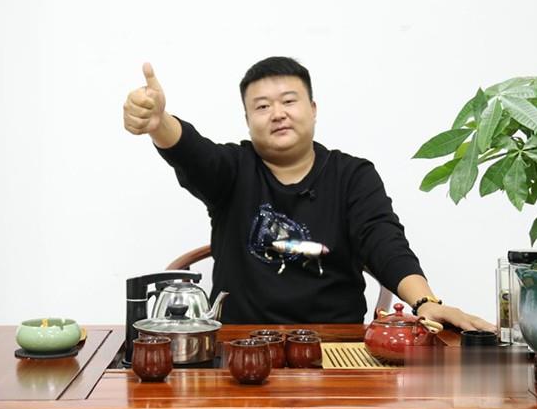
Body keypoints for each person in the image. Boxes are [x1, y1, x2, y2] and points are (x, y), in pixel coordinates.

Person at [123, 56, 495, 331]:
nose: (277, 113)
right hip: (240, 347)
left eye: (289, 101)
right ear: (247, 121)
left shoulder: (352, 176)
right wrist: (159, 123)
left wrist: (426, 302)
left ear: (313, 110)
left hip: (337, 347)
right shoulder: (233, 170)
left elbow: (384, 243)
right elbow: (194, 153)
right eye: (262, 106)